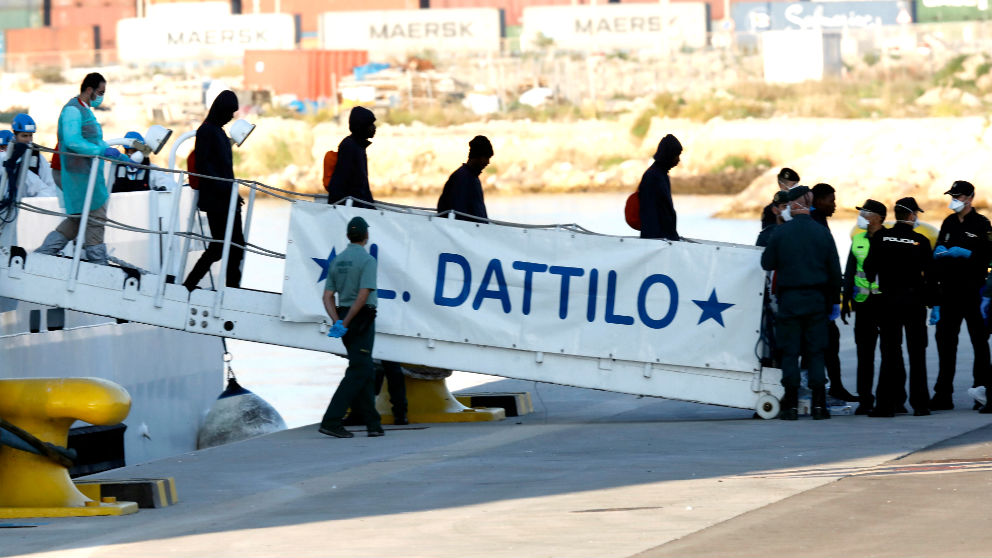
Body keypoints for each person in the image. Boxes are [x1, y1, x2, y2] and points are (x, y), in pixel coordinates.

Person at [761, 185, 842, 420]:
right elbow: (835, 272)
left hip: (790, 301)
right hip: (817, 301)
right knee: (816, 352)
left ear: (794, 204)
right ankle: (819, 405)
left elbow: (767, 263)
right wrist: (833, 301)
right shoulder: (822, 232)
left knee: (790, 352)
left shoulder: (782, 233)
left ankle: (791, 405)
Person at [35, 73, 131, 265]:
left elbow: (92, 140)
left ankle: (41, 257)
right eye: (100, 92)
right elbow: (73, 141)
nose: (101, 97)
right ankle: (99, 267)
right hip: (73, 173)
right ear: (89, 90)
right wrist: (100, 150)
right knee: (96, 214)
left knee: (79, 217)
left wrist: (117, 155)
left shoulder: (84, 109)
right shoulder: (73, 111)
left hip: (80, 172)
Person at [863, 197, 934, 417]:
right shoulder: (921, 241)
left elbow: (868, 269)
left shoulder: (881, 237)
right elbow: (931, 275)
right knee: (917, 354)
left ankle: (885, 405)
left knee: (890, 354)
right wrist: (933, 302)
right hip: (914, 303)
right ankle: (921, 404)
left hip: (888, 303)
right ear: (912, 216)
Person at [319, 216, 384, 439]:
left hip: (345, 314)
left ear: (348, 236)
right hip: (362, 317)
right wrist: (346, 323)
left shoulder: (337, 261)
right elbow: (364, 294)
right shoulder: (368, 261)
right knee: (361, 369)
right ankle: (331, 420)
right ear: (366, 236)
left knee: (362, 366)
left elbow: (327, 296)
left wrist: (337, 320)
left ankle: (373, 424)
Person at [931, 180, 992, 411]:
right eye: (952, 195)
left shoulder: (982, 224)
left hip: (972, 292)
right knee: (946, 344)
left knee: (980, 343)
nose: (954, 199)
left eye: (958, 196)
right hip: (949, 292)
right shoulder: (948, 222)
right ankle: (943, 394)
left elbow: (988, 256)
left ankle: (982, 392)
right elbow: (939, 249)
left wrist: (969, 254)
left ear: (969, 198)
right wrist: (938, 256)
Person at [182, 90, 244, 291]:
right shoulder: (207, 131)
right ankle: (191, 286)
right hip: (217, 200)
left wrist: (234, 192)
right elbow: (203, 165)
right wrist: (225, 187)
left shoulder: (218, 131)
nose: (232, 116)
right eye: (230, 111)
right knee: (221, 247)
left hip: (227, 198)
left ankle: (228, 289)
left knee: (235, 246)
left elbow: (225, 169)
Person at [807, 182, 856, 402]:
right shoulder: (815, 223)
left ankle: (833, 386)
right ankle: (827, 388)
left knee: (827, 343)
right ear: (818, 201)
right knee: (825, 344)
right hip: (819, 298)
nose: (834, 205)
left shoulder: (818, 221)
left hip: (820, 296)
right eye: (831, 200)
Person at [841, 199, 887, 414]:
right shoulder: (857, 239)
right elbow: (850, 272)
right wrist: (845, 302)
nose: (862, 216)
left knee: (890, 354)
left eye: (866, 212)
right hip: (863, 305)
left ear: (878, 217)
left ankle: (892, 399)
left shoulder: (889, 238)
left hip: (885, 304)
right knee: (864, 356)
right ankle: (866, 399)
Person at [326, 106, 376, 207]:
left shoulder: (358, 146)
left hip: (357, 205)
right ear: (362, 126)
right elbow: (342, 182)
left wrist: (372, 207)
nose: (374, 127)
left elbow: (363, 186)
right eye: (371, 124)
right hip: (349, 207)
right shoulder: (349, 146)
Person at [436, 135, 493, 222]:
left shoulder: (472, 178)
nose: (488, 162)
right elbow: (459, 215)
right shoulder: (461, 179)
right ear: (477, 156)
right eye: (486, 158)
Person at [638, 134, 682, 241]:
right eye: (676, 155)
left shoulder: (661, 175)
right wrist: (659, 241)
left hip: (664, 239)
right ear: (669, 155)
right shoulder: (653, 177)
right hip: (657, 241)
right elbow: (650, 213)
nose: (678, 160)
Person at [7, 114, 59, 198]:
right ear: (15, 135)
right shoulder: (5, 154)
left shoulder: (37, 156)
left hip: (27, 204)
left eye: (30, 135)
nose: (28, 140)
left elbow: (50, 184)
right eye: (24, 136)